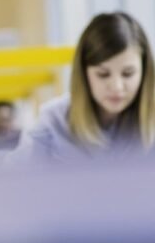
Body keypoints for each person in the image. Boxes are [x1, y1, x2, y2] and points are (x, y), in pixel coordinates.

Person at [9, 12, 155, 164]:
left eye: (128, 74)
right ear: (84, 73)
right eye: (103, 74)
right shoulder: (52, 124)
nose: (117, 87)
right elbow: (11, 179)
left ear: (144, 72)